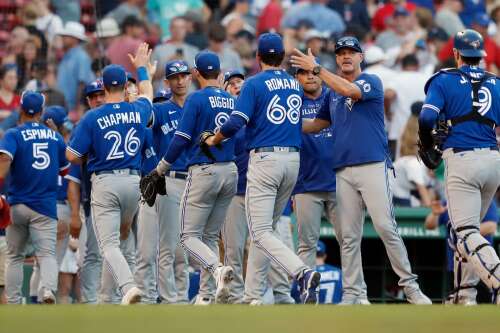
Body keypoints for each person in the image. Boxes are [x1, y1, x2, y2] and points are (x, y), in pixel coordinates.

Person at [290, 36, 431, 304]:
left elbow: (350, 91)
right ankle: (354, 293)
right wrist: (283, 120)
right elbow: (317, 123)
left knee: (385, 227)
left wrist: (318, 69)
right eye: (341, 52)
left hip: (372, 165)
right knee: (349, 237)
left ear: (360, 57)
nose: (345, 56)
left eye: (351, 53)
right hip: (343, 171)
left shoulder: (371, 81)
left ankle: (411, 288)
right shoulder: (331, 91)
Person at [204, 33, 322, 304]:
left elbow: (236, 122)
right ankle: (252, 295)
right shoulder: (294, 84)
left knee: (259, 231)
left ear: (258, 58)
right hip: (293, 160)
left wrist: (214, 138)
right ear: (281, 57)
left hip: (266, 159)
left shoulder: (255, 83)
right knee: (265, 231)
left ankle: (302, 272)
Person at [65, 43, 155, 305]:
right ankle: (107, 298)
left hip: (106, 182)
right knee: (123, 236)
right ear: (123, 86)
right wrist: (141, 67)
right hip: (133, 182)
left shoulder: (93, 117)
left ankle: (128, 287)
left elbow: (71, 156)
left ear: (103, 88)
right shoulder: (137, 109)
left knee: (109, 245)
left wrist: (90, 148)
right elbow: (147, 91)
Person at [419, 29, 500, 304]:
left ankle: (498, 280)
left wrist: (428, 146)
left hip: (463, 159)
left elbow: (427, 117)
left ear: (456, 54)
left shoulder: (444, 79)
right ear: (481, 56)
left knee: (465, 232)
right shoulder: (496, 82)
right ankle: (464, 295)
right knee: (471, 230)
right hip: (493, 159)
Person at [153, 51, 237, 304]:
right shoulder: (231, 100)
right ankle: (207, 295)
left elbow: (181, 138)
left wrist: (161, 167)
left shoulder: (196, 99)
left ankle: (217, 268)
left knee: (187, 236)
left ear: (196, 74)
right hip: (230, 170)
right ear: (220, 74)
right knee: (210, 236)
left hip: (204, 170)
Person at [220, 69, 294, 305]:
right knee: (234, 249)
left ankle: (282, 294)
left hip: (263, 188)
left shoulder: (260, 112)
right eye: (230, 84)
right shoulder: (223, 117)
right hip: (235, 190)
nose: (236, 86)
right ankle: (238, 296)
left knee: (266, 241)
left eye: (239, 81)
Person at [0, 91, 70, 304]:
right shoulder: (55, 137)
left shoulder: (13, 134)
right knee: (47, 254)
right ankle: (48, 291)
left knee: (14, 256)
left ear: (21, 109)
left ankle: (12, 300)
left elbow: (4, 159)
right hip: (44, 206)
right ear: (41, 112)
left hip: (18, 204)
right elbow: (64, 171)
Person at [135, 59, 192, 304]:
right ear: (167, 82)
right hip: (168, 182)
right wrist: (143, 78)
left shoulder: (196, 106)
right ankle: (169, 300)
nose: (180, 81)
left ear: (190, 77)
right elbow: (144, 115)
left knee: (184, 250)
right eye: (174, 77)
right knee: (166, 248)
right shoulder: (160, 109)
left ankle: (182, 297)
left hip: (195, 182)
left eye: (183, 76)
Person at [66, 80, 105, 304]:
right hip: (92, 199)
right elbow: (73, 177)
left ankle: (114, 299)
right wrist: (74, 214)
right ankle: (91, 301)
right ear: (88, 101)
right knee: (93, 254)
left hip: (123, 198)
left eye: (102, 94)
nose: (98, 99)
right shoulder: (84, 126)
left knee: (125, 252)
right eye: (93, 96)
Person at [425, 200, 498, 304]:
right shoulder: (450, 202)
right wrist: (434, 214)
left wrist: (463, 234)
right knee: (459, 303)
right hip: (455, 265)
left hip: (481, 265)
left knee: (483, 304)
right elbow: (429, 225)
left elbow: (491, 226)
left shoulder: (484, 200)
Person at [391, 102, 433, 207]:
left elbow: (429, 191)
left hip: (406, 189)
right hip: (396, 196)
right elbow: (425, 197)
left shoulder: (406, 128)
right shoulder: (413, 163)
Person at [56, 21, 95, 112]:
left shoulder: (81, 57)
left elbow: (82, 84)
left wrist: (78, 110)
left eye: (66, 36)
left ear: (75, 39)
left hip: (73, 109)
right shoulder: (66, 56)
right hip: (64, 107)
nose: (62, 38)